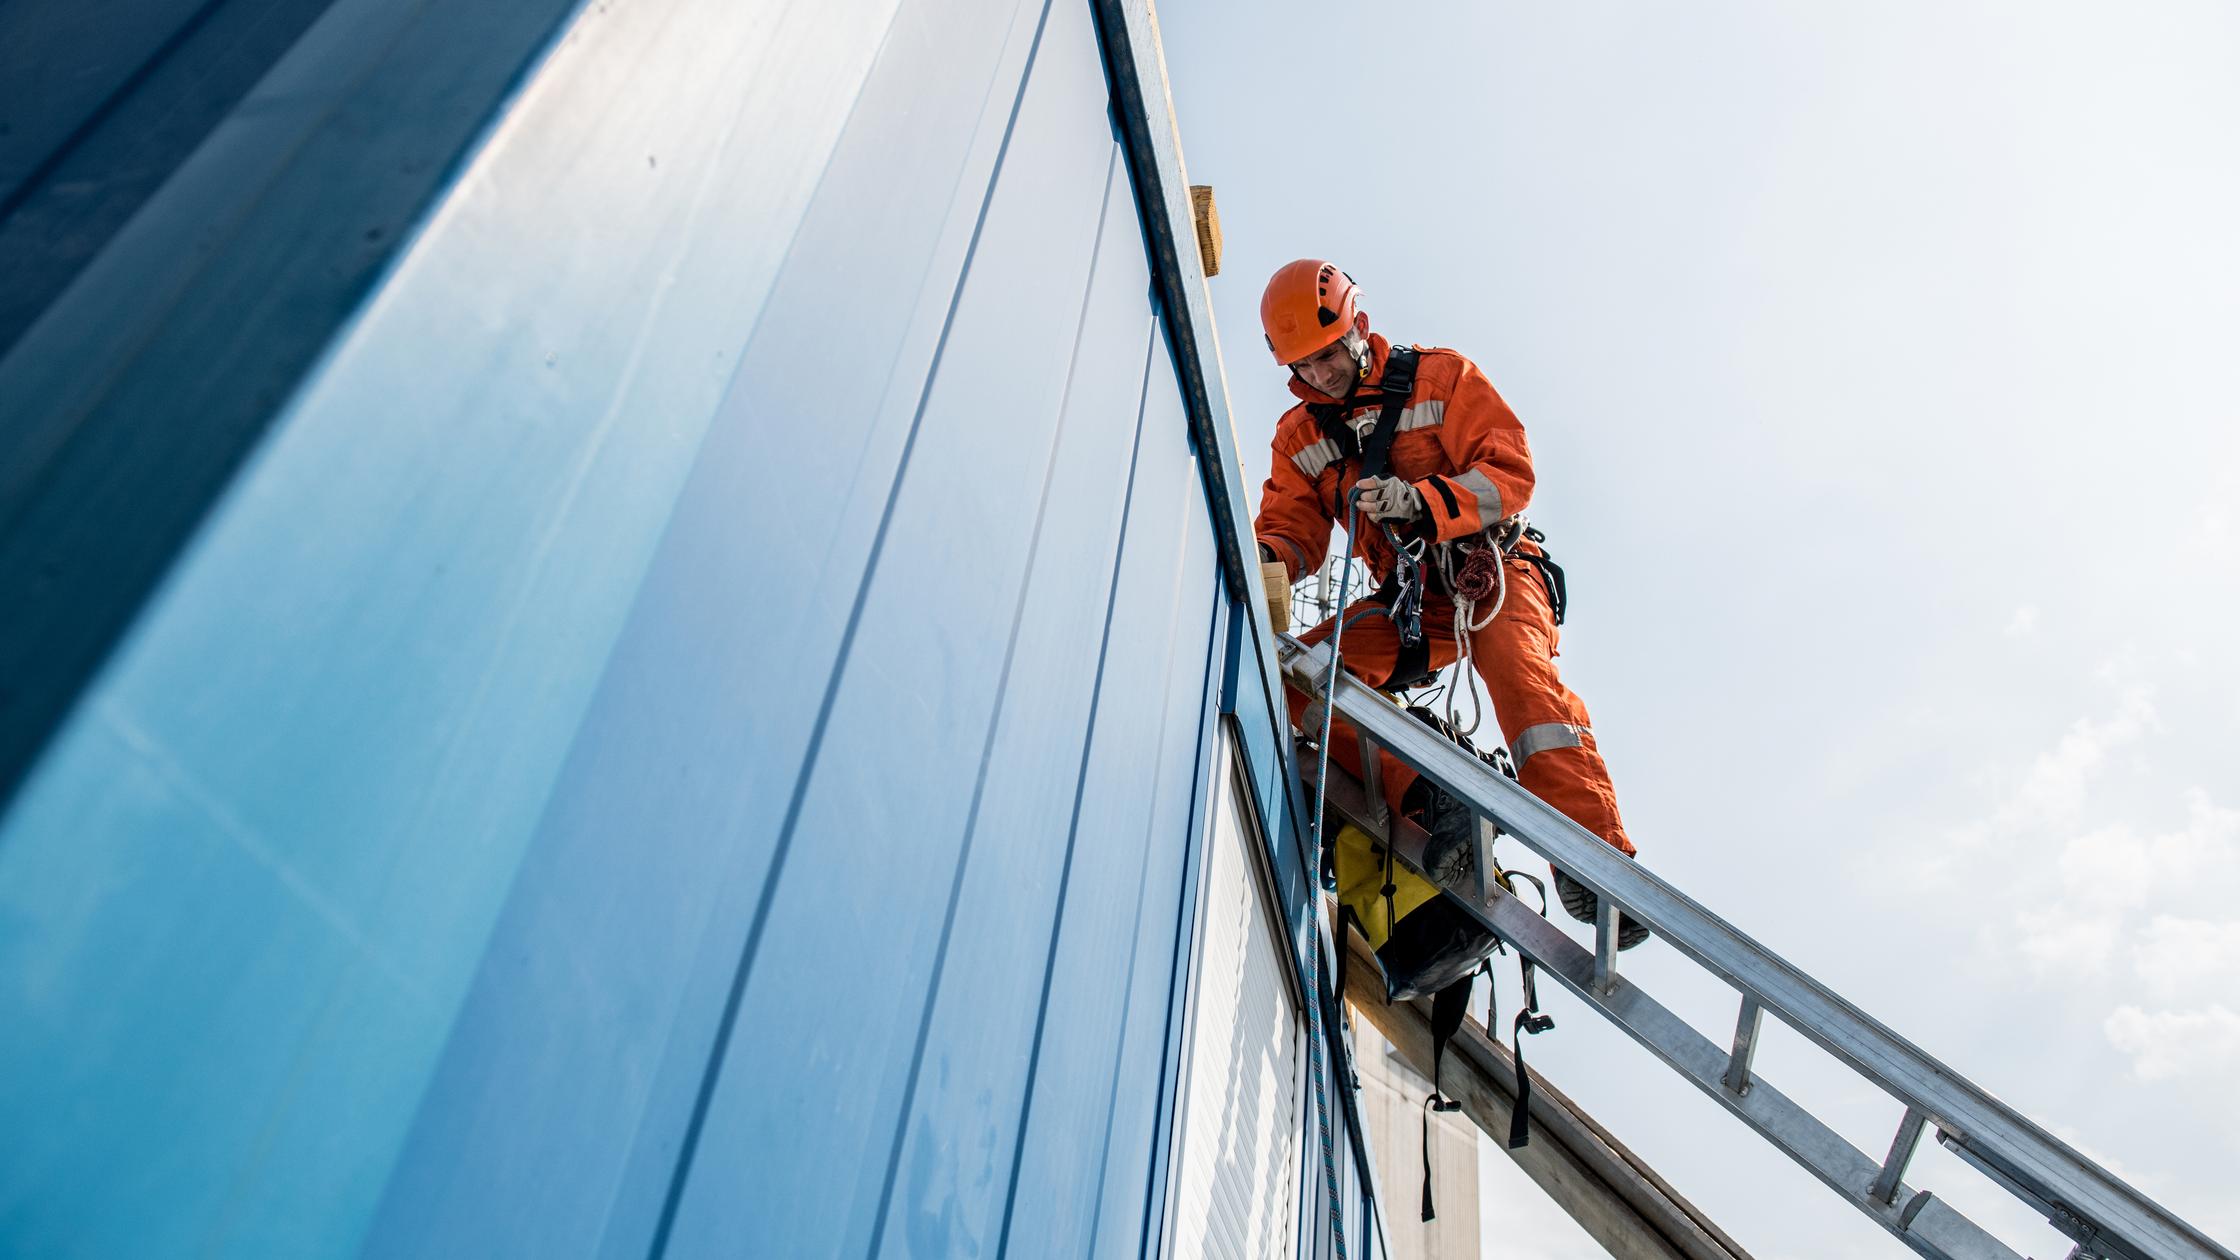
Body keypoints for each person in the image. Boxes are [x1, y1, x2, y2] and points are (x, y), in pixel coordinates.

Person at [1252, 258, 1646, 947]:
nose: (1318, 375)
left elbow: (1510, 473)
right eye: (1303, 367)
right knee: (1289, 679)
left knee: (1523, 691)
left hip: (1490, 573)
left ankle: (1595, 861)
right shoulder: (1300, 439)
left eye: (1326, 356)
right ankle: (1431, 799)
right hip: (1412, 604)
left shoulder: (1440, 380)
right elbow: (1291, 531)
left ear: (1359, 328)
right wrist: (1263, 561)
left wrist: (1424, 503)